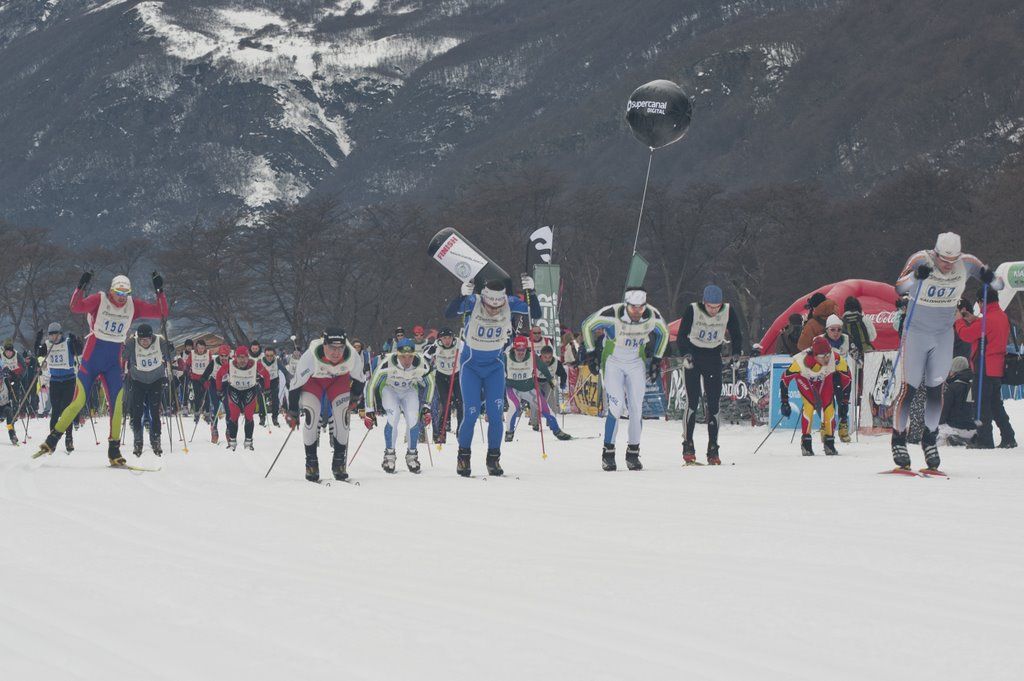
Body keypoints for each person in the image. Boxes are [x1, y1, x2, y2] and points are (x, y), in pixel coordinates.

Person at [890, 232, 1003, 471]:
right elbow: (899, 288)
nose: (947, 265)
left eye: (953, 261)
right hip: (917, 333)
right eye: (943, 260)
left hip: (942, 335)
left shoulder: (968, 263)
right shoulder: (922, 259)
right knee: (909, 389)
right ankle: (898, 438)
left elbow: (997, 283)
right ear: (936, 253)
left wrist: (990, 279)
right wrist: (914, 277)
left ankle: (929, 440)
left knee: (935, 390)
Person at [35, 272, 169, 465]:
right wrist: (81, 286)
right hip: (92, 359)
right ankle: (53, 438)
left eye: (125, 292)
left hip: (113, 364)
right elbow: (75, 306)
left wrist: (159, 291)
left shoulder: (133, 305)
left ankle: (114, 450)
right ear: (111, 290)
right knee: (78, 401)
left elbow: (161, 312)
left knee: (117, 405)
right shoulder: (100, 299)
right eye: (118, 292)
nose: (121, 297)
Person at [444, 276, 541, 477]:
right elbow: (450, 313)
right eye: (490, 306)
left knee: (496, 416)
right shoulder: (475, 301)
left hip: (494, 368)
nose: (494, 310)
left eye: (498, 307)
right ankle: (464, 458)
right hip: (471, 367)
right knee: (470, 414)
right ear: (485, 299)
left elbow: (535, 314)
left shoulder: (510, 303)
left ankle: (493, 459)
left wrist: (532, 293)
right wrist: (461, 295)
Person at [581, 286, 669, 471]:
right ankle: (608, 452)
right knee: (617, 405)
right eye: (633, 307)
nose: (637, 312)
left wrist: (657, 360)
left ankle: (633, 453)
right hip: (613, 363)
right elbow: (587, 325)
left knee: (636, 407)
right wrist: (590, 354)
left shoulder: (652, 315)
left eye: (641, 307)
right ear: (627, 304)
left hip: (636, 363)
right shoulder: (612, 313)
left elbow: (664, 333)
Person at [674, 284, 743, 465]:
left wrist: (736, 352)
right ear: (704, 302)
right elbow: (682, 336)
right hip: (694, 358)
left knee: (713, 404)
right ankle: (688, 444)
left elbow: (736, 334)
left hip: (713, 358)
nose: (714, 310)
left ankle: (713, 448)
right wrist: (686, 354)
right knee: (693, 401)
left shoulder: (728, 310)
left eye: (717, 306)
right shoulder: (693, 310)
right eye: (711, 307)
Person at [286, 328, 364, 482]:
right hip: (313, 383)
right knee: (312, 417)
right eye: (332, 348)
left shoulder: (352, 355)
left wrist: (354, 397)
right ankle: (311, 463)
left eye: (340, 348)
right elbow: (294, 386)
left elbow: (360, 380)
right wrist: (293, 411)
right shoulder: (310, 356)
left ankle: (339, 463)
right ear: (324, 345)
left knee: (342, 420)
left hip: (338, 382)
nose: (336, 353)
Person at [955, 286, 1016, 449]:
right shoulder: (1002, 316)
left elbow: (966, 335)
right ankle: (1009, 436)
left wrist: (959, 320)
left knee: (981, 406)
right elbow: (986, 329)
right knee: (996, 405)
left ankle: (985, 441)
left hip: (983, 368)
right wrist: (973, 318)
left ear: (982, 301)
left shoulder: (986, 320)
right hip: (996, 368)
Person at [363, 338, 436, 473]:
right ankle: (389, 455)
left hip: (409, 390)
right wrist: (369, 410)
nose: (407, 360)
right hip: (390, 390)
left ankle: (412, 455)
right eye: (403, 356)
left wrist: (427, 406)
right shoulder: (388, 363)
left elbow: (431, 383)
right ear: (397, 354)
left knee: (413, 419)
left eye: (410, 356)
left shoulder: (421, 363)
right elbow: (371, 384)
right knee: (394, 416)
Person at [779, 335, 852, 456]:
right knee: (809, 405)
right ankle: (806, 443)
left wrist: (844, 401)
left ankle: (829, 442)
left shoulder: (836, 358)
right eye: (823, 356)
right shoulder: (800, 363)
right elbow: (784, 380)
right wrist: (784, 401)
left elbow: (847, 378)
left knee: (829, 407)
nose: (827, 358)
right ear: (814, 355)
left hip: (824, 378)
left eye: (828, 354)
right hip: (805, 378)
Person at [503, 336, 572, 442]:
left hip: (530, 389)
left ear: (527, 348)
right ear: (514, 349)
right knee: (514, 407)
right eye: (518, 350)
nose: (520, 352)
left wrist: (552, 382)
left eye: (523, 350)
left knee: (546, 408)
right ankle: (509, 432)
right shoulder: (506, 357)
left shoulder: (532, 356)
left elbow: (544, 369)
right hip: (513, 389)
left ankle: (557, 431)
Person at [122, 323, 172, 456]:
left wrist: (170, 349)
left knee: (154, 411)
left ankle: (156, 439)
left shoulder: (159, 341)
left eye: (147, 339)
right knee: (137, 412)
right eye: (142, 340)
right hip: (138, 380)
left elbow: (169, 355)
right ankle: (138, 441)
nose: (144, 342)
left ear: (152, 337)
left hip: (156, 380)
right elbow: (123, 356)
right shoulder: (132, 343)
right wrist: (123, 347)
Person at [34, 323, 82, 453]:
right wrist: (38, 340)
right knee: (55, 411)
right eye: (51, 334)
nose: (54, 337)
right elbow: (37, 353)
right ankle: (52, 441)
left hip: (69, 381)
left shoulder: (67, 343)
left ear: (61, 334)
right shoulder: (48, 345)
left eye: (56, 334)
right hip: (55, 381)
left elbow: (79, 350)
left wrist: (76, 341)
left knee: (67, 411)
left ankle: (69, 438)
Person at [216, 346, 271, 451]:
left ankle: (248, 442)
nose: (242, 360)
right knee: (234, 416)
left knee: (249, 416)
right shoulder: (230, 365)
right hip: (234, 390)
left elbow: (266, 375)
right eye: (240, 357)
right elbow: (219, 375)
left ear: (248, 357)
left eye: (245, 357)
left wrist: (267, 388)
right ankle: (232, 442)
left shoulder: (255, 364)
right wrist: (219, 389)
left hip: (249, 390)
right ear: (235, 357)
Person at [423, 327, 462, 443]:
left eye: (449, 338)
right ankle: (441, 433)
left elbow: (470, 353)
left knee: (460, 403)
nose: (447, 341)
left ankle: (461, 430)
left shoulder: (459, 343)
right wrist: (430, 355)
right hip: (442, 377)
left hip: (456, 375)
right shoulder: (436, 345)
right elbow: (425, 357)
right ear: (440, 339)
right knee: (445, 404)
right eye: (444, 338)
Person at [823, 314, 854, 442]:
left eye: (839, 330)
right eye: (832, 330)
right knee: (828, 403)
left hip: (843, 376)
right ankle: (826, 429)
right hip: (827, 376)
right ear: (827, 330)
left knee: (843, 402)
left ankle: (843, 427)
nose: (836, 333)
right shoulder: (820, 340)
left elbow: (854, 353)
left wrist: (858, 356)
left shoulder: (846, 339)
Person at [939, 356, 976, 433]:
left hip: (955, 426)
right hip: (974, 427)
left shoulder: (953, 387)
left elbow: (945, 410)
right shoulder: (975, 384)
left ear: (955, 371)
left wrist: (939, 422)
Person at [184, 339, 212, 422]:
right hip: (195, 377)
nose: (200, 350)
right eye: (199, 348)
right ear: (196, 347)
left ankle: (207, 413)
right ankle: (196, 413)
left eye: (202, 348)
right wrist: (186, 369)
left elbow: (211, 364)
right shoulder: (192, 353)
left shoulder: (208, 353)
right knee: (197, 395)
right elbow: (188, 363)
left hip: (205, 378)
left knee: (206, 396)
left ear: (205, 348)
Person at [259, 346, 285, 427]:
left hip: (274, 381)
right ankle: (262, 418)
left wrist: (289, 379)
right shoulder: (260, 361)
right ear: (264, 355)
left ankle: (275, 418)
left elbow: (284, 370)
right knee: (262, 399)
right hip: (262, 381)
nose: (269, 357)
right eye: (267, 355)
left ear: (274, 355)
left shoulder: (277, 361)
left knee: (275, 400)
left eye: (271, 355)